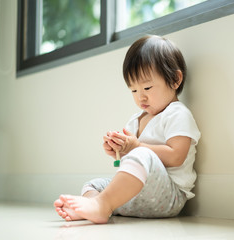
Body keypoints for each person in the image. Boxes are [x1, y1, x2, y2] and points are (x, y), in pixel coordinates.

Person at [54, 35, 201, 224]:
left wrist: (136, 147)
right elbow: (132, 164)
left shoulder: (177, 114)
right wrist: (119, 150)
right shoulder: (136, 120)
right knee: (93, 185)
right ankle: (96, 206)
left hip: (168, 197)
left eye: (147, 87)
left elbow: (176, 156)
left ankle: (102, 205)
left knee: (142, 154)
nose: (141, 98)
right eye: (133, 90)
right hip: (138, 196)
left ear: (175, 79)